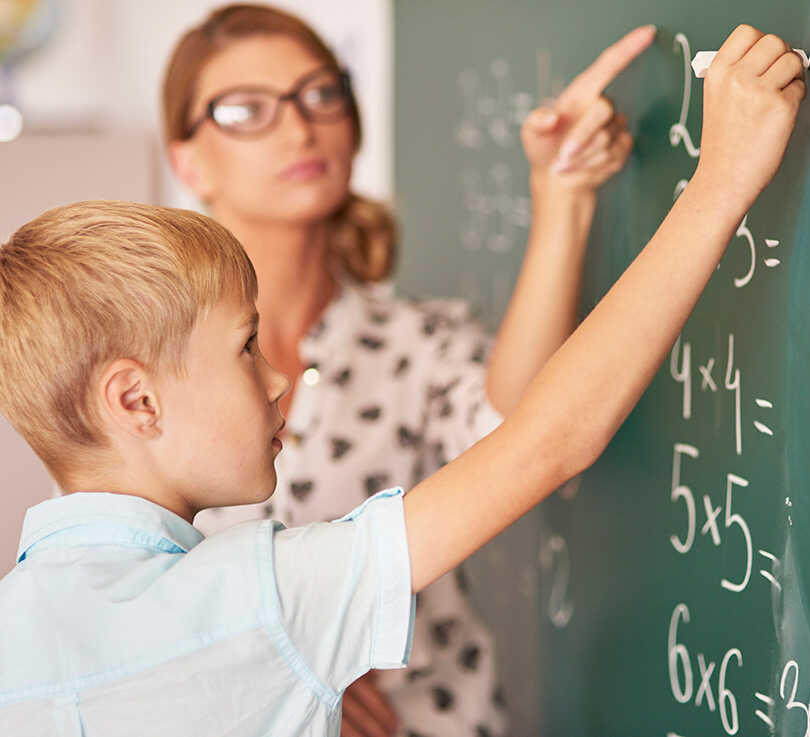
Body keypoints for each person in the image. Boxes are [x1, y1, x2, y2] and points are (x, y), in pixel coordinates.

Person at [0, 24, 807, 736]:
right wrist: (722, 179)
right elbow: (546, 442)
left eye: (321, 94)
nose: (283, 378)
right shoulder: (264, 599)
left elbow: (514, 424)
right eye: (247, 348)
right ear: (134, 400)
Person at [160, 5, 652, 736]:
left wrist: (562, 195)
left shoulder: (420, 342)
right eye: (245, 110)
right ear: (187, 160)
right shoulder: (148, 369)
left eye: (321, 94)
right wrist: (276, 681)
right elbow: (102, 578)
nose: (300, 129)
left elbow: (522, 436)